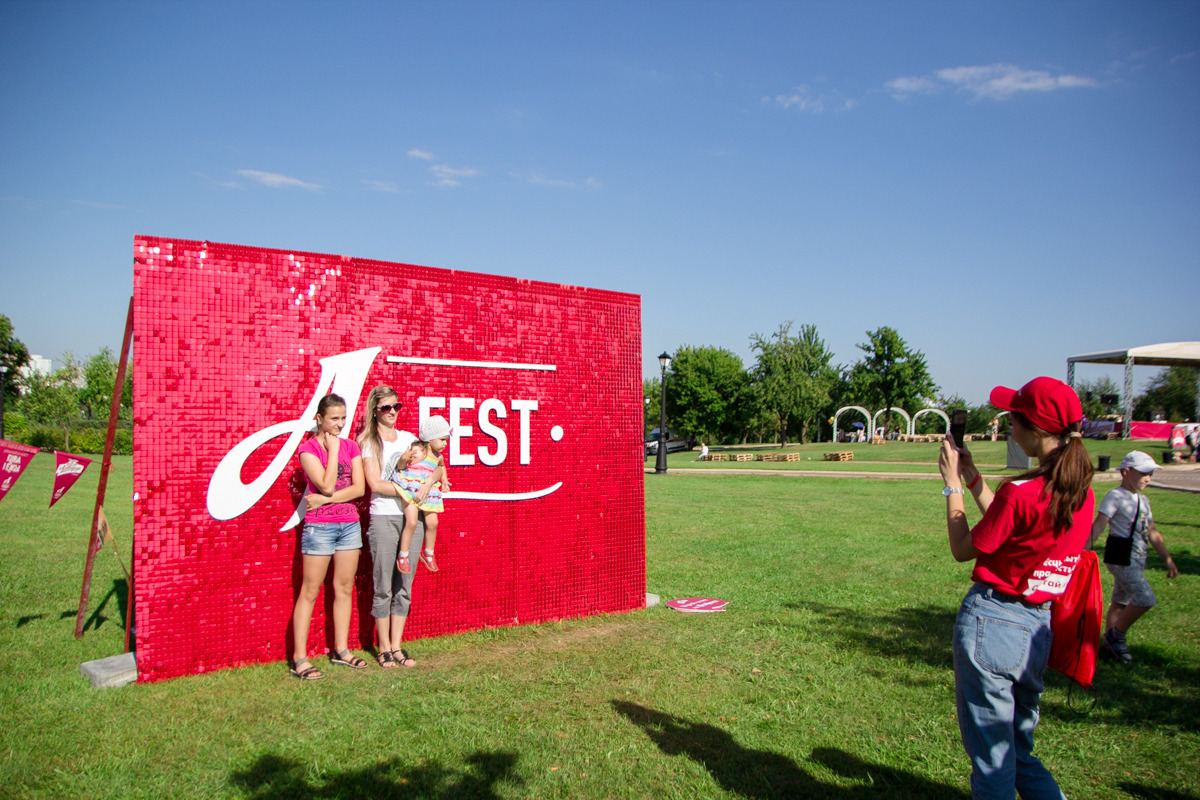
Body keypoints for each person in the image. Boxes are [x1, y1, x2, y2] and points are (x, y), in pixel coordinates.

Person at [938, 376, 1094, 799]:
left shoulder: (1020, 493)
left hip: (994, 622)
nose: (1009, 424)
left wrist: (951, 484)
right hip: (1036, 628)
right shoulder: (1079, 492)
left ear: (1037, 430)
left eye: (1014, 417)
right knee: (1019, 753)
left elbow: (964, 548)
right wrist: (972, 478)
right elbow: (1010, 530)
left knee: (992, 762)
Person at [356, 386, 445, 668]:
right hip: (384, 516)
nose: (392, 411)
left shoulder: (409, 439)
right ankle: (382, 647)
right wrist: (409, 490)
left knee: (403, 586)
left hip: (413, 516)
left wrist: (428, 485)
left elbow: (434, 464)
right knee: (383, 585)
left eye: (396, 406)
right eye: (386, 407)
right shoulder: (368, 441)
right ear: (375, 410)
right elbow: (374, 484)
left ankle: (397, 645)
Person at [289, 393, 366, 680]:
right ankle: (299, 657)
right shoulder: (308, 449)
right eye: (334, 418)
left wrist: (325, 500)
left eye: (343, 418)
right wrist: (332, 451)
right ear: (320, 419)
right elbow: (325, 483)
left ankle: (341, 650)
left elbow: (359, 489)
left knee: (344, 588)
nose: (340, 424)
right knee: (309, 591)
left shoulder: (352, 446)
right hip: (319, 528)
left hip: (349, 525)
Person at [1089, 450, 1178, 664]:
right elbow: (1100, 523)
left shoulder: (1143, 500)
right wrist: (1084, 548)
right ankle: (1116, 636)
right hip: (1120, 556)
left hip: (1136, 558)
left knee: (1120, 601)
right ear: (1126, 472)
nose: (1148, 478)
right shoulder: (1115, 496)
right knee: (1145, 598)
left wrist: (1167, 559)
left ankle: (1110, 648)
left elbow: (1153, 532)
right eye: (1144, 473)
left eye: (1151, 474)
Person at [394, 415, 451, 574]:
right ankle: (403, 555)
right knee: (411, 522)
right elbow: (401, 466)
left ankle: (428, 552)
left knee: (433, 522)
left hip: (429, 491)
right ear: (429, 439)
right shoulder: (418, 450)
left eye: (446, 440)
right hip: (412, 489)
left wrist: (444, 481)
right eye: (442, 439)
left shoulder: (438, 456)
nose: (445, 444)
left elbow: (441, 467)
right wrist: (403, 460)